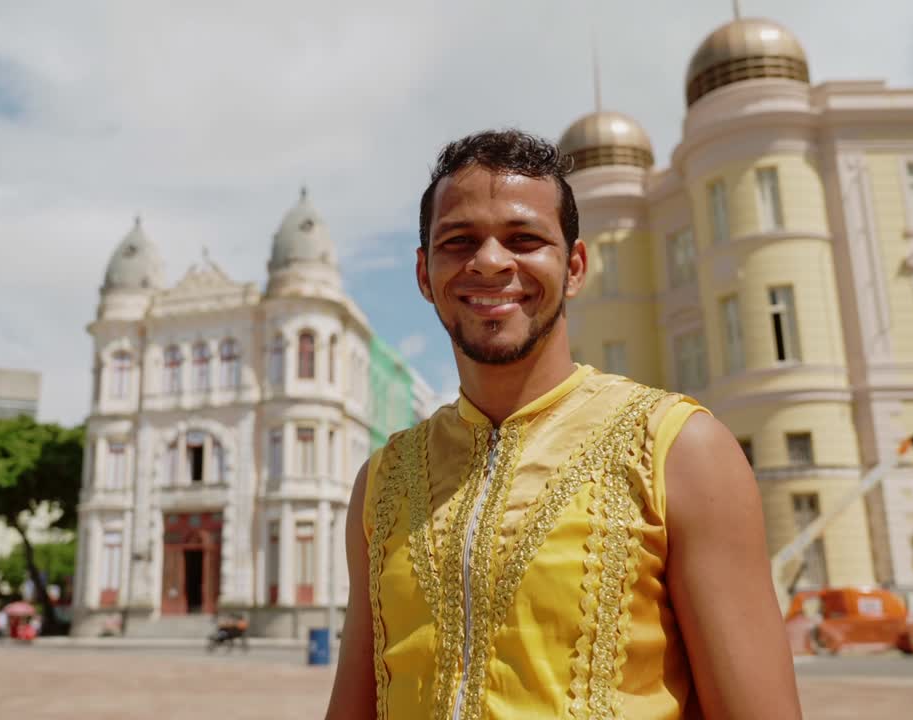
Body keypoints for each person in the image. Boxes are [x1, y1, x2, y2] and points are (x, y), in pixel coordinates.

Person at [325, 130, 801, 719]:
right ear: (425, 274)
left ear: (574, 267)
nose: (492, 261)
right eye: (459, 241)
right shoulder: (382, 481)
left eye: (524, 239)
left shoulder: (678, 448)